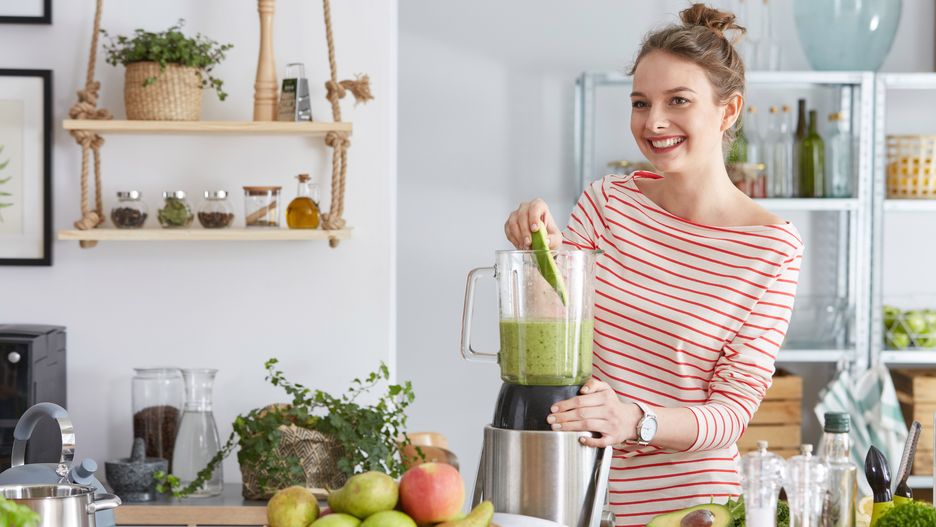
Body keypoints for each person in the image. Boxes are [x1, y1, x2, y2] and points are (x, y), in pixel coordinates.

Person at [504, 4, 804, 526]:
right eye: (641, 103)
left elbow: (731, 414)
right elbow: (554, 335)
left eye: (678, 101)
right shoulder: (606, 203)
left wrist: (634, 420)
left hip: (691, 506)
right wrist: (541, 255)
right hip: (574, 486)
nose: (654, 122)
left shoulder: (770, 249)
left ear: (728, 111)